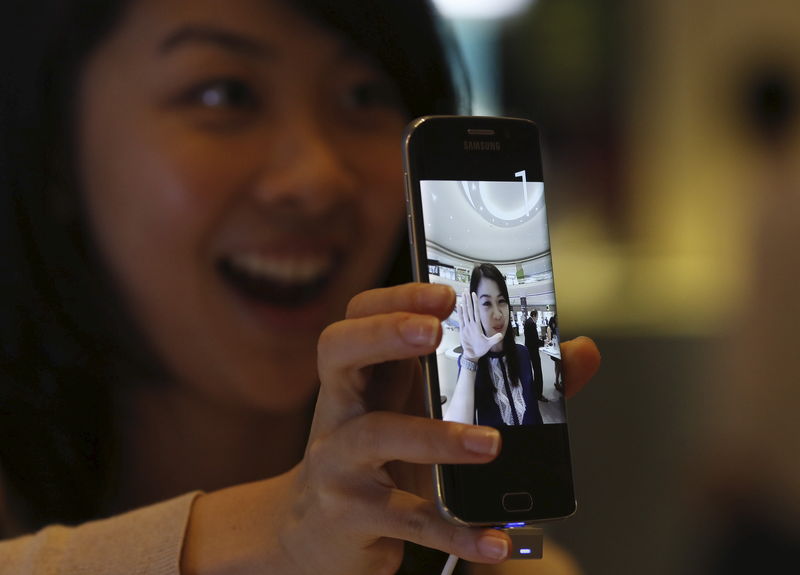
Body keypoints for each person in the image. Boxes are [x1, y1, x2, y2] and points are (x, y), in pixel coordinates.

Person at [0, 1, 601, 573]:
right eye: (224, 94)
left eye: (363, 96)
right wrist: (273, 536)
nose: (316, 179)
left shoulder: (479, 552)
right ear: (53, 146)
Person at [445, 264, 543, 427]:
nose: (498, 314)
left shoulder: (523, 353)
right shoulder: (470, 363)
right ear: (474, 309)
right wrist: (470, 358)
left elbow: (534, 410)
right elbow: (456, 431)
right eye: (487, 303)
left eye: (501, 301)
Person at [524, 310, 548, 402]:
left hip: (529, 350)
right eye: (537, 317)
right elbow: (534, 340)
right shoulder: (532, 324)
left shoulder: (527, 322)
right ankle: (539, 394)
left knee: (533, 371)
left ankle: (534, 391)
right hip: (533, 351)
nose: (537, 319)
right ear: (534, 315)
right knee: (538, 372)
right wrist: (543, 342)